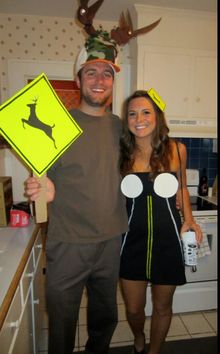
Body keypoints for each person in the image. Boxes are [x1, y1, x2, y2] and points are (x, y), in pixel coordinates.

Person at [24, 30, 128, 354]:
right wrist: (39, 190)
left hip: (110, 241)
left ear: (113, 81)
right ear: (78, 79)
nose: (99, 80)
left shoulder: (122, 129)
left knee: (105, 317)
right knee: (61, 320)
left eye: (107, 74)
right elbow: (37, 184)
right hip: (67, 243)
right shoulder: (57, 125)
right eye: (91, 72)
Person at [119, 90, 203, 354]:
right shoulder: (121, 154)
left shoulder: (177, 150)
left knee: (162, 306)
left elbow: (182, 190)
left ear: (157, 117)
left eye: (146, 112)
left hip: (167, 241)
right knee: (133, 309)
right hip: (130, 242)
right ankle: (138, 335)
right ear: (126, 120)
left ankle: (154, 351)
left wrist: (189, 220)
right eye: (132, 113)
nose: (139, 118)